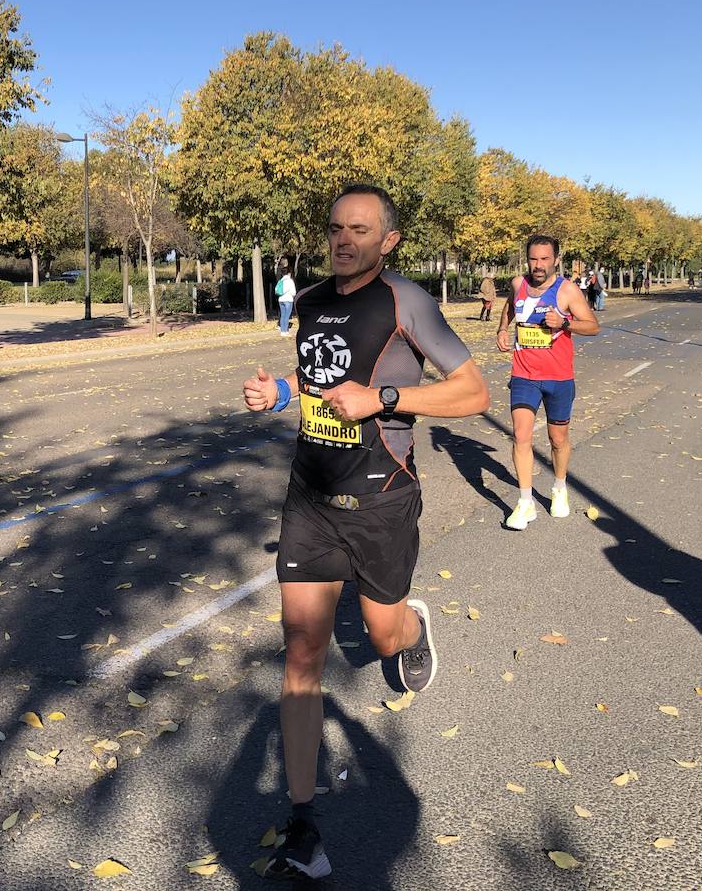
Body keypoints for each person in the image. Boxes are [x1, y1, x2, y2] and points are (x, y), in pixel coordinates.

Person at [242, 184, 489, 880]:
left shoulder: (406, 300)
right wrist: (282, 393)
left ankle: (410, 626)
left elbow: (473, 392)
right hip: (312, 497)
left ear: (389, 241)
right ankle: (302, 828)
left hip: (382, 499)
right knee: (301, 652)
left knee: (382, 635)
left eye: (360, 229)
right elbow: (320, 376)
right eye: (335, 228)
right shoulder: (315, 300)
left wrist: (383, 398)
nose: (343, 239)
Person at [497, 235, 600, 530]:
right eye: (533, 259)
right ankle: (525, 502)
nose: (538, 265)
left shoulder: (566, 290)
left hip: (559, 378)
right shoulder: (519, 285)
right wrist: (503, 329)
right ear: (526, 258)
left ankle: (559, 487)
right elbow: (508, 307)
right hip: (524, 375)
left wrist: (565, 323)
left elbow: (593, 326)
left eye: (544, 259)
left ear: (555, 259)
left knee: (558, 440)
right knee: (521, 435)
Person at [275, 260, 297, 337]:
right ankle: (285, 331)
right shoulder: (290, 281)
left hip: (281, 299)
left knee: (283, 315)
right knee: (287, 316)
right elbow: (293, 292)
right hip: (288, 300)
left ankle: (282, 330)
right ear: (289, 273)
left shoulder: (281, 281)